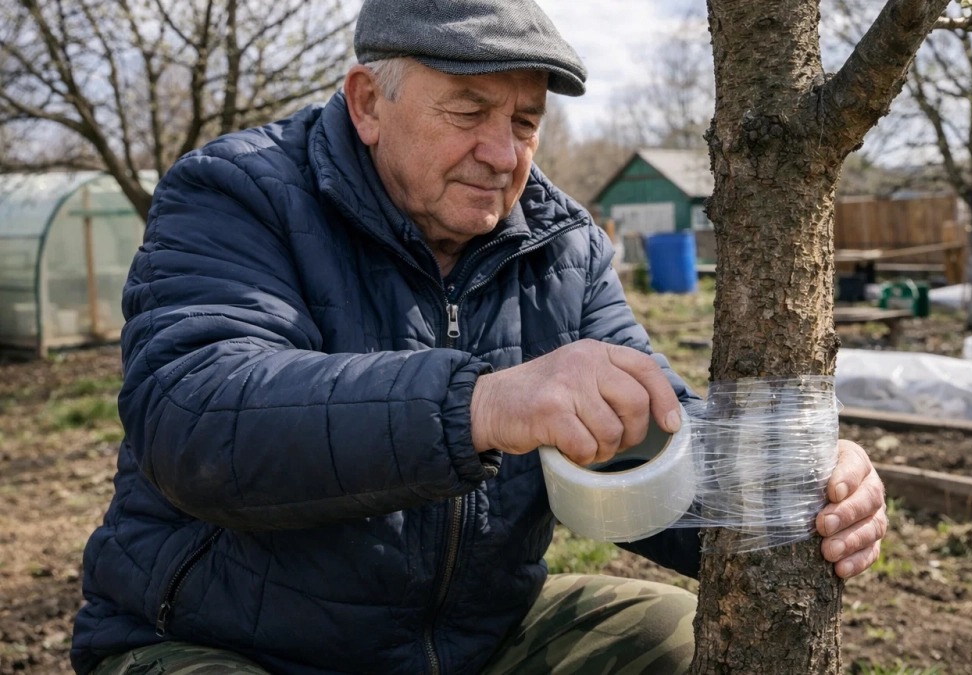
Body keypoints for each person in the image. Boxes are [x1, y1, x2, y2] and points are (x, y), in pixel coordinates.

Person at [72, 1, 888, 673]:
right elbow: (198, 418)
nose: (503, 155)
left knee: (669, 638)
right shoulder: (237, 195)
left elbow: (649, 437)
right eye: (468, 113)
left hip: (468, 645)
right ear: (366, 102)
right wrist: (484, 403)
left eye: (525, 122)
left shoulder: (560, 245)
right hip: (226, 643)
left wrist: (795, 485)